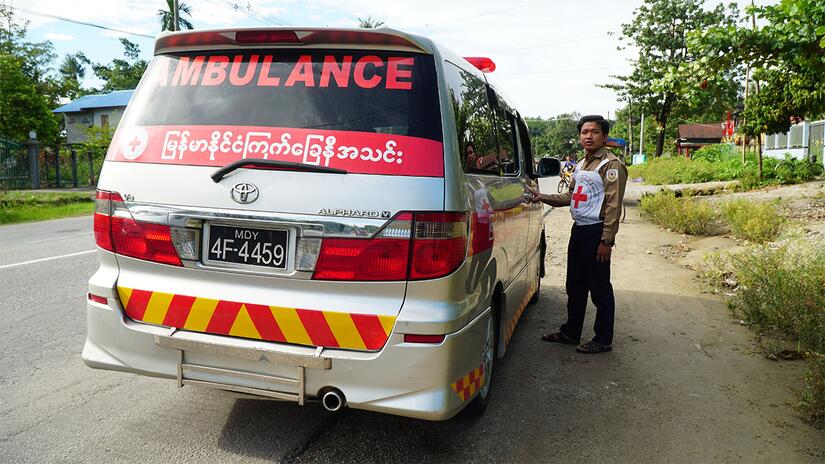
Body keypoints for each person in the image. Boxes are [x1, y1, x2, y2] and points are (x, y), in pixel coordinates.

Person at [529, 115, 628, 354]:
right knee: (575, 284)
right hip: (579, 230)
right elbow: (571, 197)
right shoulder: (581, 165)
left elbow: (613, 207)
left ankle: (603, 339)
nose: (588, 136)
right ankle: (571, 332)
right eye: (584, 132)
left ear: (604, 136)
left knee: (599, 287)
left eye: (594, 132)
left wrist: (607, 240)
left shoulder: (611, 165)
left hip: (597, 232)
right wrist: (542, 197)